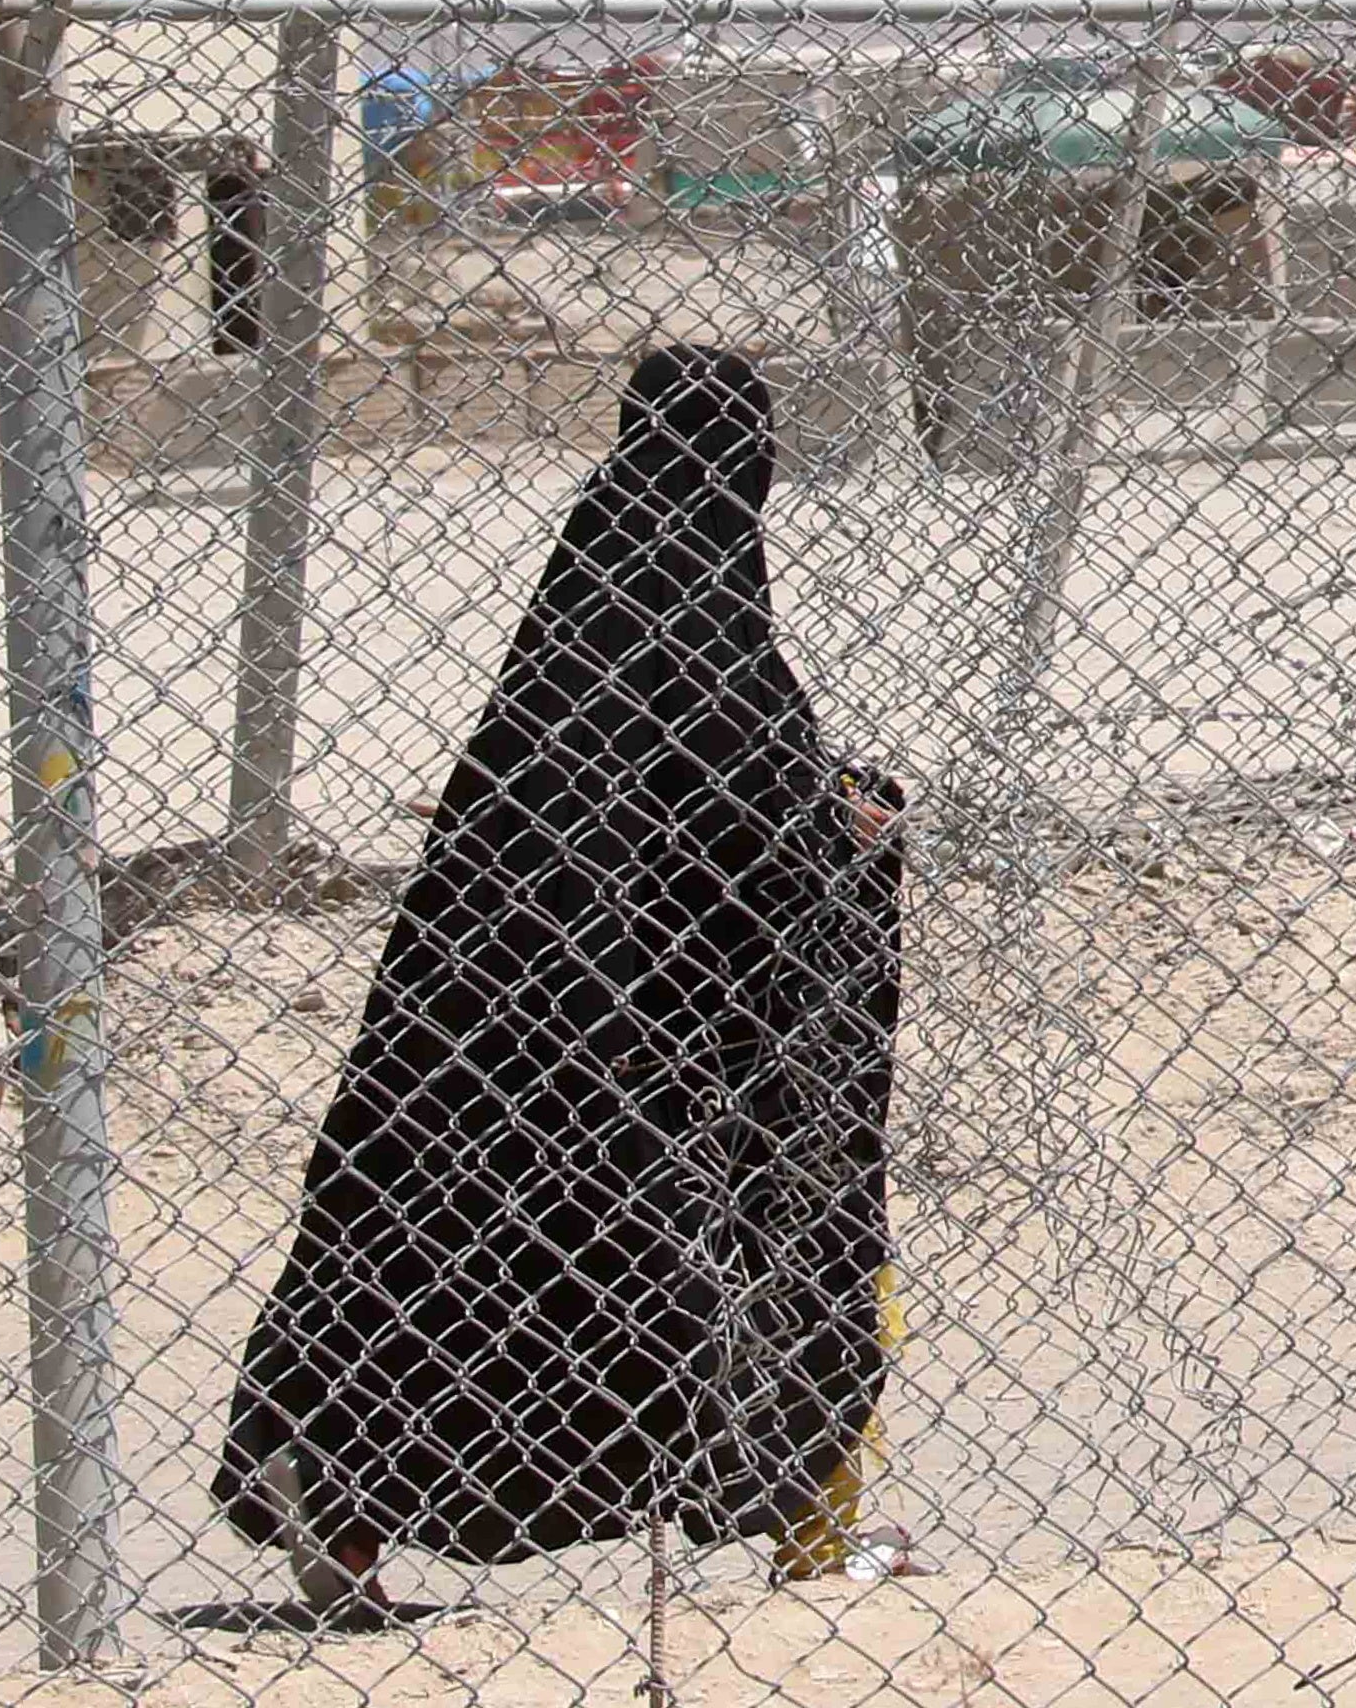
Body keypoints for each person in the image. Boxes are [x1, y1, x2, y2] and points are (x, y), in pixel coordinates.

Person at [215, 347, 909, 1616]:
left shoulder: (581, 594)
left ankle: (342, 1490)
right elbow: (733, 804)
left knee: (445, 1259)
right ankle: (802, 1516)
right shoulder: (706, 607)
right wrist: (844, 825)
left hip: (491, 1024)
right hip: (651, 1044)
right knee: (727, 1253)